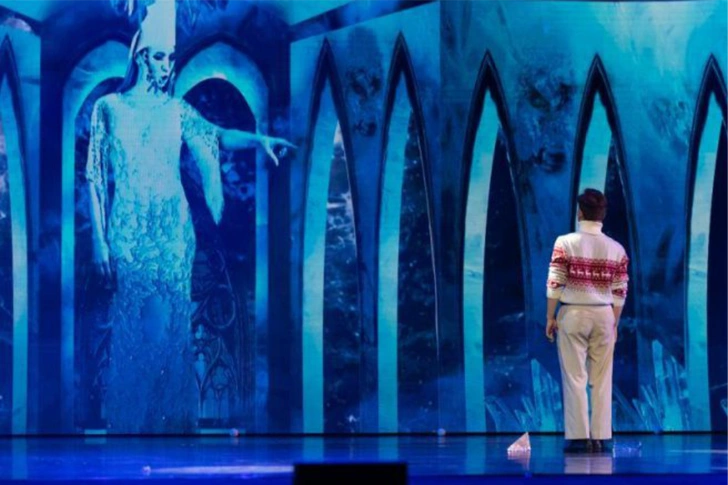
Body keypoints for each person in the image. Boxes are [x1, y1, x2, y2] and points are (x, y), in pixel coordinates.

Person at [85, 0, 294, 432]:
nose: (167, 67)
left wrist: (260, 140)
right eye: (160, 57)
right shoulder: (108, 108)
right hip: (128, 231)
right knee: (134, 328)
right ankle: (132, 427)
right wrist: (98, 240)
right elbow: (94, 176)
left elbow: (217, 135)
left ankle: (172, 429)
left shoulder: (176, 111)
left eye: (171, 58)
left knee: (172, 328)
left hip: (173, 232)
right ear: (142, 56)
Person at [545, 188, 629, 454]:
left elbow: (555, 281)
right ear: (602, 214)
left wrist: (550, 316)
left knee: (574, 376)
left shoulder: (565, 242)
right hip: (604, 313)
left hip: (573, 313)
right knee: (602, 378)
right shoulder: (616, 248)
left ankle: (579, 437)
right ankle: (601, 437)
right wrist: (614, 323)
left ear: (580, 212)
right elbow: (620, 291)